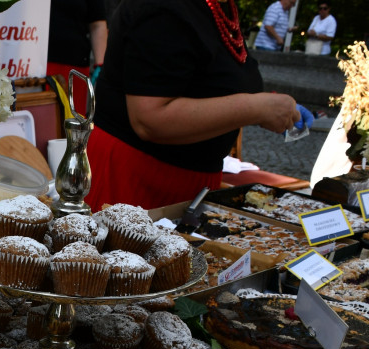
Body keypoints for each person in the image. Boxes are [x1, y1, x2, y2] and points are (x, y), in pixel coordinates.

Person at [84, 0, 300, 211]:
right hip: (136, 185)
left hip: (188, 187)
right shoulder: (163, 7)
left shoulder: (218, 7)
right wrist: (257, 108)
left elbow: (212, 81)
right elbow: (150, 118)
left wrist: (270, 105)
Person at [47, 0, 108, 115]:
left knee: (73, 124)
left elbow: (98, 24)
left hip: (74, 69)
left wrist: (101, 66)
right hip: (36, 66)